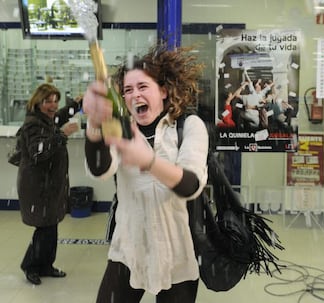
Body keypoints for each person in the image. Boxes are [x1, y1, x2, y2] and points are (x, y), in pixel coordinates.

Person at [82, 45, 209, 303]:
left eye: (143, 87)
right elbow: (100, 168)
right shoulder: (121, 127)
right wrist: (95, 124)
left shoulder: (188, 126)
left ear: (162, 91)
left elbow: (191, 184)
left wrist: (149, 161)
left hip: (178, 252)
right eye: (127, 90)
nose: (135, 95)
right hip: (129, 249)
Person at [17, 83, 81, 285]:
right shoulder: (33, 124)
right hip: (38, 186)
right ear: (38, 102)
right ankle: (30, 266)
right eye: (48, 102)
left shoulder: (46, 118)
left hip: (50, 185)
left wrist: (77, 105)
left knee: (51, 226)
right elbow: (39, 152)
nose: (53, 106)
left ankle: (46, 265)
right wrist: (63, 135)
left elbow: (61, 115)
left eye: (55, 101)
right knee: (44, 228)